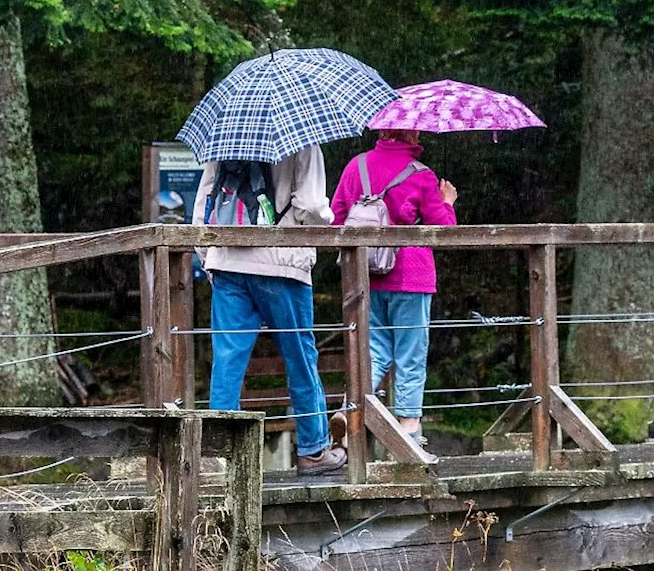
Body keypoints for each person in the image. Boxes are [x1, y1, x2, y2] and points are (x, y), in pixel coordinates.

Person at [192, 145, 347, 475]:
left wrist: (209, 257)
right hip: (281, 262)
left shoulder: (227, 139)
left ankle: (219, 455)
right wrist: (328, 221)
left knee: (228, 358)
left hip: (228, 259)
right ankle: (313, 450)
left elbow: (205, 200)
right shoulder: (303, 142)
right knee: (299, 357)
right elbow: (311, 207)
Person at [330, 130, 458, 448]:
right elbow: (443, 229)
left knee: (373, 350)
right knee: (410, 353)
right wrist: (447, 202)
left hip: (365, 275)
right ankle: (409, 427)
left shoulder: (355, 167)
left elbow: (336, 221)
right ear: (412, 131)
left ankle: (349, 412)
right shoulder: (421, 175)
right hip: (411, 275)